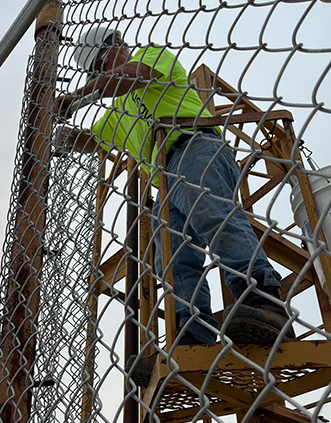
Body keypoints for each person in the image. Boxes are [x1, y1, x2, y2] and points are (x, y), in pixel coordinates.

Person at [54, 27, 295, 355]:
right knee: (172, 256)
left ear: (117, 46)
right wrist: (61, 137)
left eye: (101, 63)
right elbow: (93, 138)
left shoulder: (149, 57)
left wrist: (79, 96)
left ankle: (262, 298)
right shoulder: (118, 111)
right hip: (165, 179)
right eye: (96, 70)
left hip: (194, 145)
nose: (102, 73)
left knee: (213, 215)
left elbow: (132, 76)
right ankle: (192, 332)